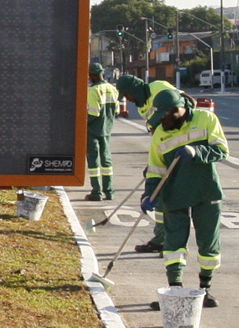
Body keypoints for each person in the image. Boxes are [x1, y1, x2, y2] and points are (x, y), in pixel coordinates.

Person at [141, 87, 228, 307]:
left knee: (208, 244)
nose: (163, 121)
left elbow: (222, 150)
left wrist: (197, 152)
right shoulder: (160, 133)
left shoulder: (206, 119)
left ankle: (204, 290)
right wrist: (149, 194)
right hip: (174, 195)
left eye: (167, 115)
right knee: (173, 246)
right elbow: (155, 170)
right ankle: (175, 292)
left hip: (205, 192)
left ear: (178, 109)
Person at [115, 73, 177, 251]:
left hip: (178, 148)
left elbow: (177, 114)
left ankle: (170, 243)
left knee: (169, 198)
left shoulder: (160, 90)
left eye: (127, 95)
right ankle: (161, 239)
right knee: (158, 195)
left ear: (134, 89)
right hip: (163, 149)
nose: (128, 99)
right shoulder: (143, 106)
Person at [84, 62, 119, 201]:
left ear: (91, 75)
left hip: (93, 130)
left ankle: (97, 192)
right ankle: (109, 191)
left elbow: (93, 113)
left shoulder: (93, 91)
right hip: (107, 129)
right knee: (107, 160)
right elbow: (116, 111)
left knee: (93, 162)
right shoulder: (112, 88)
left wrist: (83, 123)